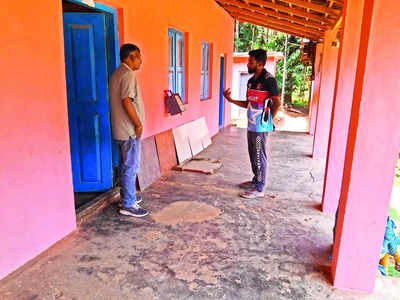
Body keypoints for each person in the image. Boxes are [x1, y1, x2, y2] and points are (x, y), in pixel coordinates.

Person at [223, 49, 281, 199]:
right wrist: (230, 100)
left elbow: (277, 103)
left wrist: (269, 121)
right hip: (250, 125)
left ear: (260, 64)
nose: (248, 64)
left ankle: (259, 188)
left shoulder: (269, 80)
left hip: (260, 127)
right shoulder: (251, 82)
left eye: (251, 61)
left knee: (258, 155)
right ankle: (255, 180)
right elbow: (248, 104)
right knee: (252, 154)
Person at [109, 44, 148, 217]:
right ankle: (128, 204)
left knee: (126, 164)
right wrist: (138, 124)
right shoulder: (127, 74)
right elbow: (127, 101)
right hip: (129, 131)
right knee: (130, 166)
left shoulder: (117, 74)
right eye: (138, 56)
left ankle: (127, 196)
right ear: (130, 57)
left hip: (120, 129)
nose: (141, 60)